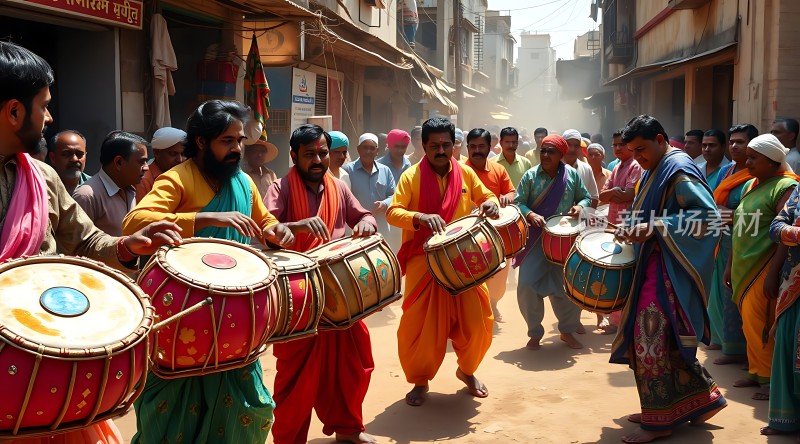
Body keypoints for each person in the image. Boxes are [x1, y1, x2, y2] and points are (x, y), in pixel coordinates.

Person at [0, 40, 182, 444]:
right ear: (14, 112)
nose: (49, 118)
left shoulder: (42, 177)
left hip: (49, 354)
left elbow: (85, 238)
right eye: (44, 106)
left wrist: (126, 245)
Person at [122, 100, 294, 444]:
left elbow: (265, 221)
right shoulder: (177, 179)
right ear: (201, 142)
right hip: (184, 317)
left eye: (240, 141)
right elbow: (135, 221)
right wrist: (203, 219)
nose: (237, 149)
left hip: (236, 317)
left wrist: (277, 230)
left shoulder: (244, 182)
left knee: (250, 411)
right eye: (227, 141)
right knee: (173, 419)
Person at [611, 115, 727, 443]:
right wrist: (631, 226)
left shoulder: (678, 168)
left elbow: (706, 217)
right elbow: (646, 213)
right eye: (632, 151)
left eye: (642, 149)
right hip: (654, 264)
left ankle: (659, 419)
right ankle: (703, 401)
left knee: (650, 335)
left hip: (670, 269)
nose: (637, 157)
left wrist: (653, 227)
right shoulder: (653, 169)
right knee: (665, 338)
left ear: (660, 140)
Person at [265, 124, 378, 444]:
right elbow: (267, 228)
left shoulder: (339, 187)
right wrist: (291, 228)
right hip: (298, 299)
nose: (317, 159)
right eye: (309, 154)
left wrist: (367, 224)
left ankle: (349, 429)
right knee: (294, 378)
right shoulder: (280, 188)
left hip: (342, 297)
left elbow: (362, 215)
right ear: (294, 156)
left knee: (353, 366)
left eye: (323, 153)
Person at [386, 117, 499, 407]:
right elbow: (393, 212)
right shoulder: (410, 176)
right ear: (423, 146)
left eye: (446, 144)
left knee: (478, 324)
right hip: (424, 262)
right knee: (420, 328)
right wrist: (419, 217)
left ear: (453, 145)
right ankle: (420, 380)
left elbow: (485, 195)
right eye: (434, 145)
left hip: (464, 262)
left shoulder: (466, 173)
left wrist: (490, 202)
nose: (440, 150)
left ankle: (467, 370)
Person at [727, 133, 799, 401]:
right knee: (750, 322)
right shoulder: (751, 186)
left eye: (754, 158)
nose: (748, 162)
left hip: (763, 266)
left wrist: (772, 274)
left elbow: (784, 233)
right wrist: (729, 266)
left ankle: (770, 378)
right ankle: (756, 371)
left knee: (763, 323)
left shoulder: (785, 187)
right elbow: (738, 229)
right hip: (742, 264)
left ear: (772, 161)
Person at [514, 134, 590, 351]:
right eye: (543, 151)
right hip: (536, 239)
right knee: (526, 285)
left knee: (570, 286)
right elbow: (518, 203)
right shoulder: (530, 176)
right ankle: (535, 332)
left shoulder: (572, 175)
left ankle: (567, 331)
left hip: (564, 241)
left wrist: (580, 207)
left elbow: (585, 197)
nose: (545, 155)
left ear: (561, 155)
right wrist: (530, 215)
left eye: (551, 152)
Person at [705, 124, 756, 362]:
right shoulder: (728, 171)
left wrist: (731, 213)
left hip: (746, 242)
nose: (735, 146)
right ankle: (721, 339)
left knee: (736, 294)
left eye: (741, 142)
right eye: (733, 141)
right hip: (721, 239)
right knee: (718, 291)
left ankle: (739, 350)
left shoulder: (757, 174)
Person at [464, 128, 515, 322]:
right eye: (473, 146)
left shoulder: (498, 169)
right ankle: (474, 312)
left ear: (490, 147)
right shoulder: (459, 170)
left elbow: (511, 192)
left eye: (481, 146)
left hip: (496, 232)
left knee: (500, 273)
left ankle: (493, 303)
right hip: (467, 234)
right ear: (467, 148)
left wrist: (505, 198)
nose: (477, 150)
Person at [764, 174, 800, 437]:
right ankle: (785, 419)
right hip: (793, 283)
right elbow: (775, 226)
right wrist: (794, 232)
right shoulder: (798, 191)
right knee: (787, 343)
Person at [73, 131, 149, 236]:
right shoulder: (86, 196)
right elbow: (76, 244)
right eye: (141, 162)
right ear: (118, 162)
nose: (146, 168)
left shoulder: (130, 190)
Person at [342, 132, 396, 235]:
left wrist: (385, 204)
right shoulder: (347, 170)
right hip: (357, 227)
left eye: (372, 148)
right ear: (358, 149)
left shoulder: (385, 170)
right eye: (365, 147)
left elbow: (394, 195)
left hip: (382, 227)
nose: (368, 151)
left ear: (377, 151)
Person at [377, 129, 412, 251]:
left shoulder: (411, 166)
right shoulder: (378, 166)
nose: (400, 150)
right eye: (396, 146)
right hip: (385, 222)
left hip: (405, 220)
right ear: (389, 146)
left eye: (403, 147)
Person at [136, 126, 187, 201]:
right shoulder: (144, 180)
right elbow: (141, 212)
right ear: (156, 152)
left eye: (183, 154)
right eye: (173, 154)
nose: (179, 160)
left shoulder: (183, 175)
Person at [562, 129, 599, 207]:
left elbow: (594, 197)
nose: (572, 149)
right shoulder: (554, 167)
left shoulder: (586, 168)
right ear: (563, 145)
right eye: (569, 145)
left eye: (576, 146)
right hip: (555, 218)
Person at [48, 129, 90, 194]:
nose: (74, 159)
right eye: (66, 154)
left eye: (79, 154)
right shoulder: (42, 187)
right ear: (53, 158)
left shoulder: (95, 189)